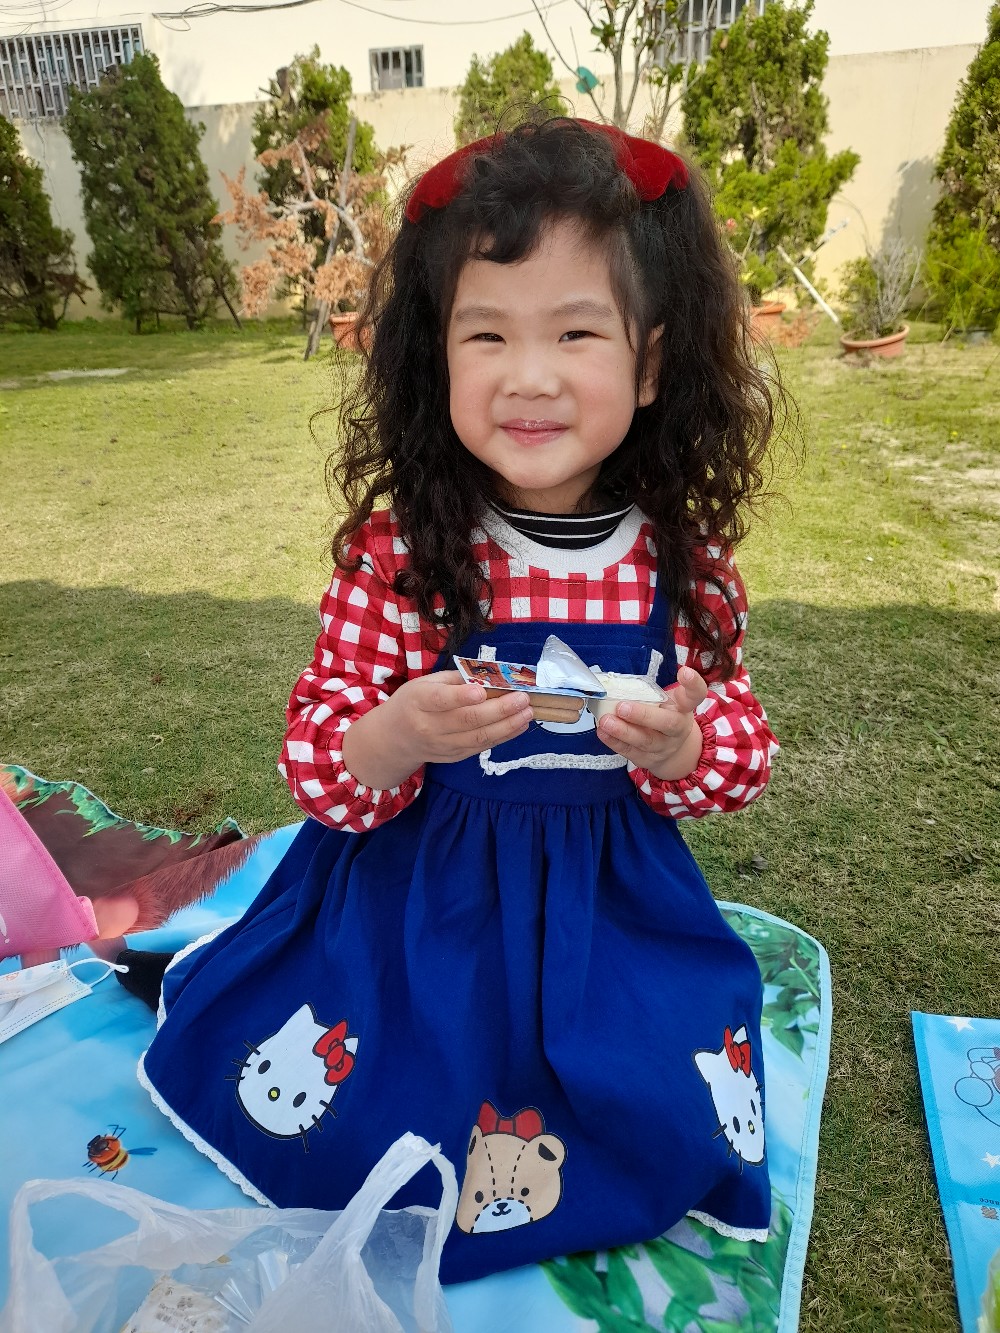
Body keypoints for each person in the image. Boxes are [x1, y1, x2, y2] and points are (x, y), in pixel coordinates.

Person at [137, 117, 784, 1284]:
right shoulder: (403, 555)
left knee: (665, 1088)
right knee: (378, 1102)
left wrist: (682, 742)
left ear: (648, 363)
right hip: (415, 914)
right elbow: (319, 765)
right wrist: (397, 733)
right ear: (436, 359)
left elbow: (741, 755)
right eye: (487, 333)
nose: (528, 375)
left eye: (575, 332)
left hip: (606, 911)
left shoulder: (681, 559)